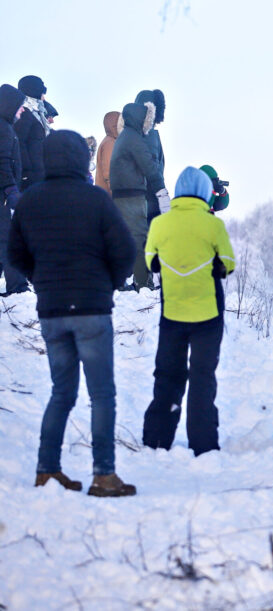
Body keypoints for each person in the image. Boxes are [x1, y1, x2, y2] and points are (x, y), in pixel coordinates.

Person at [6, 130, 137, 497]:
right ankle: (104, 475)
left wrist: (41, 279)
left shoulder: (30, 202)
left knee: (61, 392)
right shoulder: (96, 200)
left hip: (52, 311)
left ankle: (47, 470)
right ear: (81, 158)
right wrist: (107, 283)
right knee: (102, 395)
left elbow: (14, 255)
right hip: (92, 309)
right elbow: (125, 252)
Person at [142, 167, 235, 456]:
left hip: (172, 313)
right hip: (207, 313)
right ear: (206, 192)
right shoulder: (213, 225)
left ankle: (157, 439)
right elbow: (228, 263)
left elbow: (150, 262)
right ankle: (203, 443)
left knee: (168, 374)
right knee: (202, 376)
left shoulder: (161, 223)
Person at [109, 101, 169, 289]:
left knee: (126, 239)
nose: (148, 124)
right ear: (140, 119)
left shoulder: (124, 136)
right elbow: (150, 166)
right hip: (131, 196)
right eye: (147, 120)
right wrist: (162, 192)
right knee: (139, 238)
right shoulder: (134, 139)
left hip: (122, 194)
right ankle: (143, 283)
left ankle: (121, 281)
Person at [0, 83, 30, 296]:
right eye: (20, 106)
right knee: (9, 239)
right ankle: (17, 287)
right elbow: (2, 161)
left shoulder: (5, 126)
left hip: (4, 192)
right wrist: (10, 189)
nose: (22, 110)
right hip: (3, 193)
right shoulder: (3, 128)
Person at [134, 89, 167, 223]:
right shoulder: (148, 136)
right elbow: (153, 171)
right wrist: (163, 200)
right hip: (149, 206)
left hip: (140, 205)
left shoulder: (135, 134)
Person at [14, 75, 51, 191]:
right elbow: (19, 143)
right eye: (42, 92)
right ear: (35, 91)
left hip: (41, 171)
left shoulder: (38, 113)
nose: (43, 96)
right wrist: (27, 171)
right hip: (32, 176)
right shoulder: (24, 112)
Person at [95, 111, 120, 194]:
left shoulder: (110, 141)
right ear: (115, 125)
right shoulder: (109, 143)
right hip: (109, 196)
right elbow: (109, 172)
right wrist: (116, 194)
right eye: (121, 122)